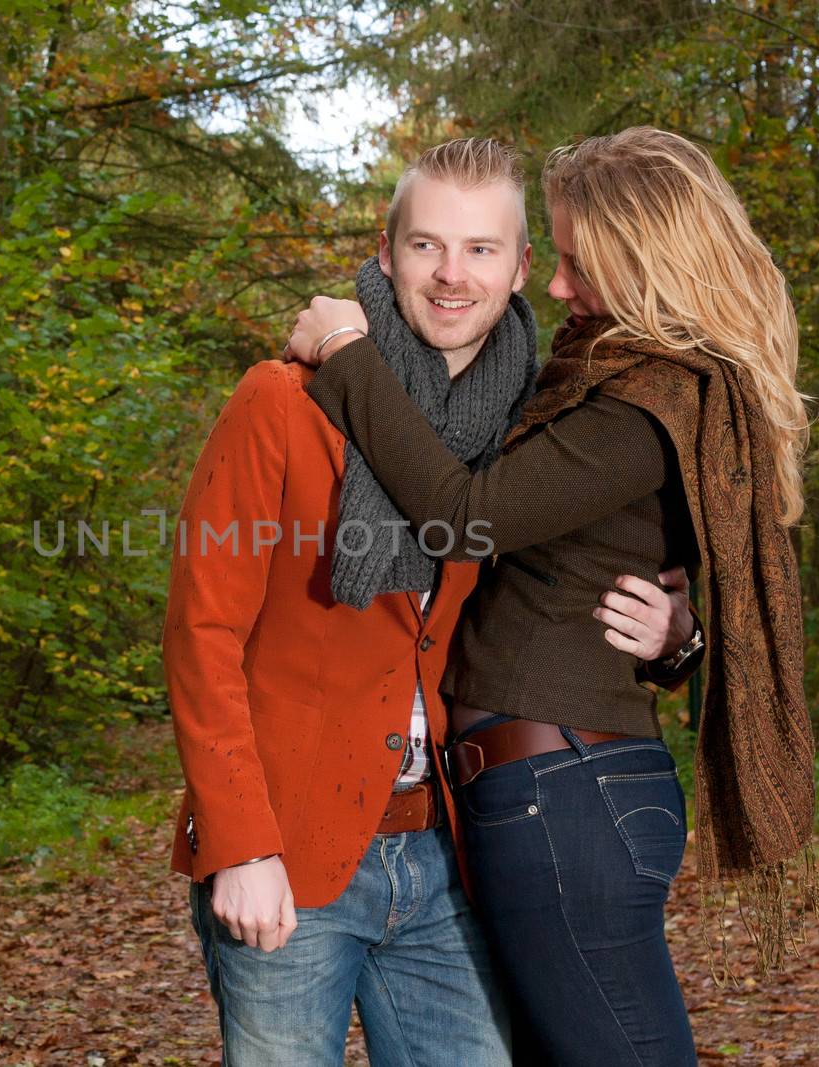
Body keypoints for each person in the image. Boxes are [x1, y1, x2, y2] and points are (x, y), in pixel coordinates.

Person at [164, 137, 702, 1066]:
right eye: (427, 247)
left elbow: (579, 575)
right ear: (386, 252)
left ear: (522, 267)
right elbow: (202, 631)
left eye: (482, 250)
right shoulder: (280, 402)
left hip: (449, 854)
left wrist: (676, 635)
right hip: (291, 850)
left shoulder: (528, 427)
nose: (453, 276)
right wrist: (241, 844)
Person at [288, 126, 816, 1066]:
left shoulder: (640, 406)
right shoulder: (608, 378)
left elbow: (461, 516)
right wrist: (677, 637)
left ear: (647, 259)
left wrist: (348, 355)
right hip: (552, 785)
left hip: (564, 794)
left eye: (580, 263)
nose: (560, 287)